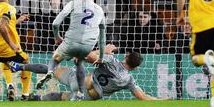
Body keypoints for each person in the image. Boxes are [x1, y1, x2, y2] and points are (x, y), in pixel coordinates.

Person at [11, 44, 164, 101]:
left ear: (126, 56)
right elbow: (142, 97)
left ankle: (19, 67)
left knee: (52, 69)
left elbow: (90, 57)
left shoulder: (111, 60)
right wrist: (161, 101)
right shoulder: (128, 80)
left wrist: (103, 50)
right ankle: (36, 99)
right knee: (61, 97)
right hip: (88, 96)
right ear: (135, 68)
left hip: (79, 80)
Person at [35, 0, 106, 101]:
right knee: (79, 62)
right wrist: (101, 57)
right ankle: (79, 92)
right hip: (88, 45)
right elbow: (102, 38)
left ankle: (50, 71)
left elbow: (55, 23)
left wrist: (57, 37)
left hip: (72, 41)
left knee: (56, 58)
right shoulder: (99, 10)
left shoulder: (73, 3)